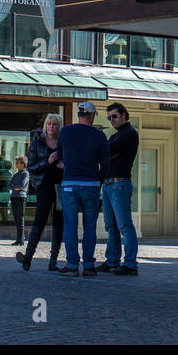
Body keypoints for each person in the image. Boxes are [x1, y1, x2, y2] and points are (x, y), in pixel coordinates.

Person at [56, 100, 110, 276]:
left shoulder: (65, 131)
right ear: (92, 116)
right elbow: (106, 164)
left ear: (79, 115)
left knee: (70, 225)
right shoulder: (100, 136)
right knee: (89, 226)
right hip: (91, 184)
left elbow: (59, 156)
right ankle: (88, 265)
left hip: (69, 183)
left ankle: (72, 265)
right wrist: (98, 182)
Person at [18, 114, 65, 271]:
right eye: (49, 124)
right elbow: (31, 166)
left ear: (59, 126)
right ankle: (28, 257)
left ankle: (53, 261)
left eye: (55, 124)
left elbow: (72, 161)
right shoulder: (38, 142)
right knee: (40, 221)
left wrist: (65, 165)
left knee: (59, 223)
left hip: (60, 186)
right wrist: (48, 161)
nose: (51, 127)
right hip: (44, 185)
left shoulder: (64, 142)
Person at [100, 102, 140, 275]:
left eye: (114, 116)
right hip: (109, 184)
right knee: (111, 226)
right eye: (109, 118)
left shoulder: (129, 133)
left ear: (124, 114)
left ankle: (130, 264)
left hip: (119, 183)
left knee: (124, 225)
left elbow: (106, 152)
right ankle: (112, 261)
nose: (111, 120)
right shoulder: (116, 135)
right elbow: (106, 154)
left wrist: (108, 154)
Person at [9, 155, 29, 245]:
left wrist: (15, 186)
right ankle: (21, 237)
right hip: (14, 197)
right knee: (16, 218)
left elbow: (21, 186)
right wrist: (15, 187)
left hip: (21, 197)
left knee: (20, 218)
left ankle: (20, 240)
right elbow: (10, 185)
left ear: (23, 164)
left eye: (18, 163)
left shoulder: (25, 174)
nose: (16, 165)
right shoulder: (16, 174)